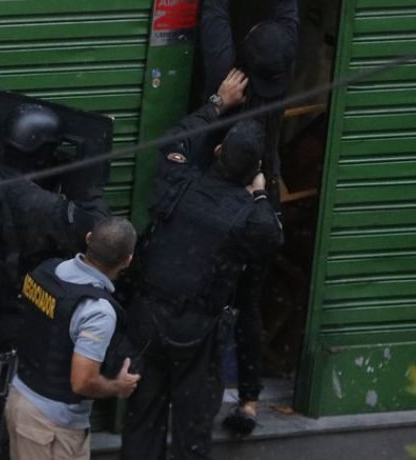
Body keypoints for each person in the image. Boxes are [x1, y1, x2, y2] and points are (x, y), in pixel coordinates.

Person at [120, 86, 284, 459]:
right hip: (197, 333)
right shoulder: (248, 216)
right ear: (253, 174)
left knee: (143, 421)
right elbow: (273, 237)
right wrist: (258, 193)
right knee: (191, 431)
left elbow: (175, 139)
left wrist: (217, 104)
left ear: (216, 151)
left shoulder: (179, 180)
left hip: (147, 319)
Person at [0, 104, 111, 460]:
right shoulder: (37, 205)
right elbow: (99, 234)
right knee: (2, 409)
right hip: (20, 318)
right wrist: (87, 190)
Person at [201, 0, 298, 430]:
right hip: (263, 197)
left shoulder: (230, 81)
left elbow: (214, 10)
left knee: (209, 296)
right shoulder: (284, 71)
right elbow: (288, 13)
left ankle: (199, 394)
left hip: (224, 202)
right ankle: (250, 400)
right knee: (250, 301)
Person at [4, 217, 141, 460]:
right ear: (128, 260)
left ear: (88, 238)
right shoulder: (98, 312)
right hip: (50, 427)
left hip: (23, 399)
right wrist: (118, 387)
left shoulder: (48, 270)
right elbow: (82, 382)